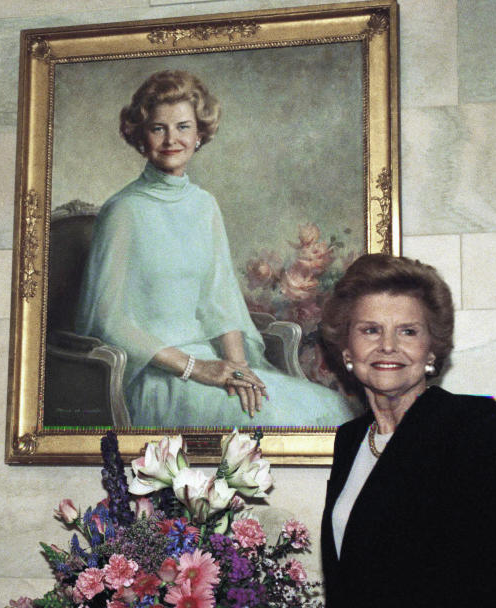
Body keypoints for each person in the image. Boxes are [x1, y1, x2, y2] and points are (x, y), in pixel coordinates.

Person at [75, 69, 354, 428]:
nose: (171, 139)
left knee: (330, 408)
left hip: (215, 368)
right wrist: (196, 368)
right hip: (155, 374)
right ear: (141, 135)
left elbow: (220, 301)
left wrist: (237, 369)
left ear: (200, 134)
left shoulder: (204, 205)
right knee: (272, 418)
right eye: (159, 128)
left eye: (183, 127)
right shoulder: (123, 210)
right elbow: (108, 322)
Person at [318, 253, 496, 608]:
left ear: (431, 350)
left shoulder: (473, 426)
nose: (388, 346)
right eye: (370, 330)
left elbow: (485, 595)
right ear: (347, 350)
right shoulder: (349, 441)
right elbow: (345, 592)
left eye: (408, 331)